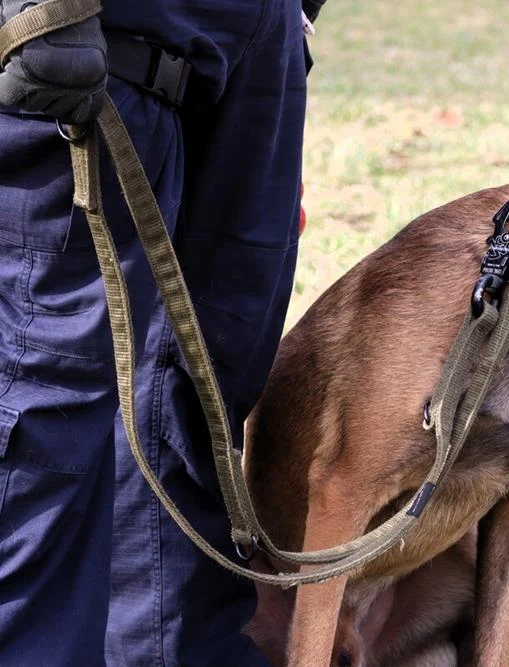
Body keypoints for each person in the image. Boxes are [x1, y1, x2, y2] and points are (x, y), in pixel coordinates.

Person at [0, 1, 323, 664]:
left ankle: (172, 649)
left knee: (203, 383)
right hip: (81, 37)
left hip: (247, 43)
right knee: (48, 402)